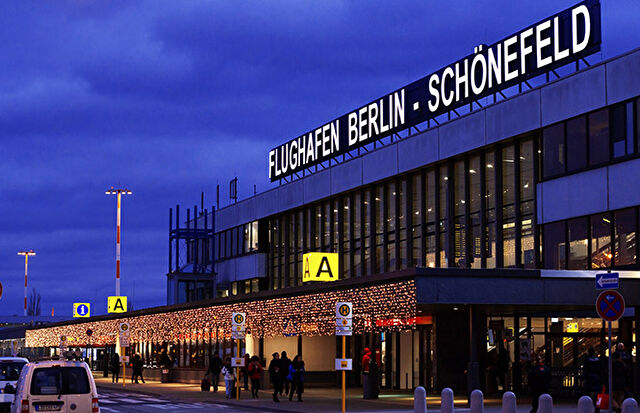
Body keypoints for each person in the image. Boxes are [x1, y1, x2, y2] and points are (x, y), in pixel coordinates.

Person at [583, 347, 602, 412]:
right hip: (597, 377)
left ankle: (588, 406)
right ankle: (598, 407)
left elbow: (585, 369)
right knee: (598, 394)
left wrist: (584, 377)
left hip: (589, 377)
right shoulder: (598, 359)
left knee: (588, 392)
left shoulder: (587, 359)